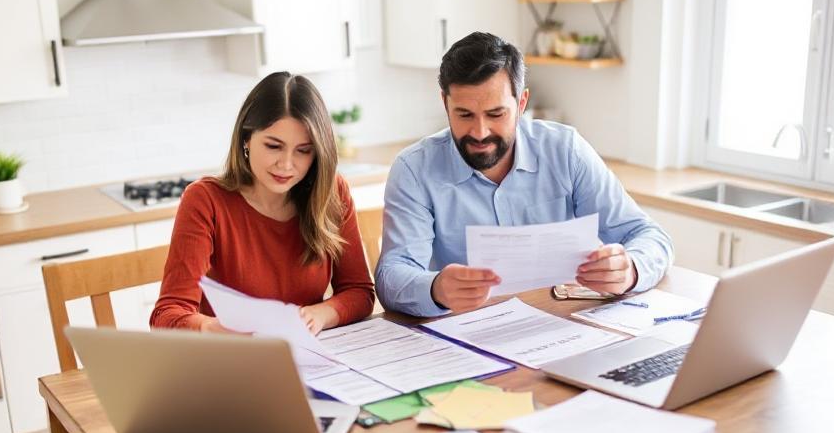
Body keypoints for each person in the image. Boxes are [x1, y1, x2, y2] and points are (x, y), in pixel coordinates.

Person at [376, 32, 673, 317]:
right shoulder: (415, 169)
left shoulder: (565, 150)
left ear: (521, 104)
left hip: (563, 322)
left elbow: (650, 236)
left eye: (496, 114)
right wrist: (435, 289)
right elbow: (392, 277)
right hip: (468, 333)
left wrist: (631, 268)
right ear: (445, 104)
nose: (480, 132)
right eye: (464, 114)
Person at [151, 72, 375, 334]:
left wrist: (321, 315)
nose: (287, 164)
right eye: (273, 146)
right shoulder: (205, 201)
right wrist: (213, 327)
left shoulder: (331, 192)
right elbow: (166, 315)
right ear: (246, 138)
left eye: (303, 150)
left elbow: (359, 292)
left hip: (309, 360)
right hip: (232, 361)